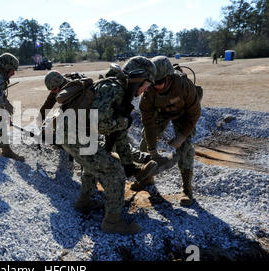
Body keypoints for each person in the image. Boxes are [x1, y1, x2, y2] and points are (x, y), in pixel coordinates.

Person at [54, 56, 158, 234]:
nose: (144, 90)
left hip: (74, 133)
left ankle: (84, 201)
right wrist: (123, 123)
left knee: (94, 162)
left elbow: (120, 138)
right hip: (74, 135)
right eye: (146, 85)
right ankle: (112, 222)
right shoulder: (114, 89)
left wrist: (130, 164)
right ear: (139, 78)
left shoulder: (119, 90)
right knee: (114, 171)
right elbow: (100, 124)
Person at [135, 56, 202, 206]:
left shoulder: (184, 85)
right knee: (145, 143)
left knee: (186, 148)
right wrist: (152, 149)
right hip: (160, 113)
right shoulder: (148, 93)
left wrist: (182, 136)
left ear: (169, 77)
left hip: (183, 114)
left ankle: (187, 189)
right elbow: (148, 122)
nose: (156, 86)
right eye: (153, 83)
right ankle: (147, 179)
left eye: (159, 82)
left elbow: (194, 113)